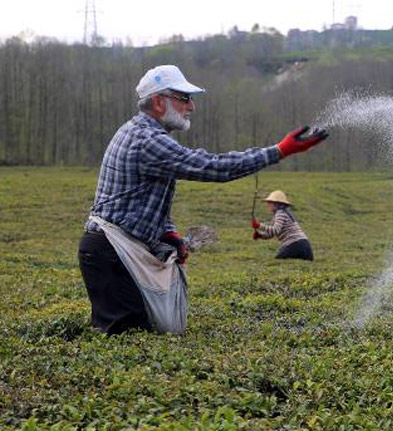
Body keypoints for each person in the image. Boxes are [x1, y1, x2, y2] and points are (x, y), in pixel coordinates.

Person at [78, 64, 328, 334]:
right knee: (128, 339)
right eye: (184, 98)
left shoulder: (143, 133)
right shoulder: (147, 140)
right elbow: (212, 166)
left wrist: (167, 233)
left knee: (144, 334)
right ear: (159, 102)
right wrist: (278, 151)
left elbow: (143, 200)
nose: (192, 106)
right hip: (112, 256)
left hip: (112, 251)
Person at [252, 191, 313, 261]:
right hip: (304, 246)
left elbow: (275, 230)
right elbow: (271, 234)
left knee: (278, 261)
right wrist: (260, 235)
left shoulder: (280, 213)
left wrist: (259, 225)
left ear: (276, 204)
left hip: (294, 244)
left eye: (270, 202)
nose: (267, 204)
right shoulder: (283, 212)